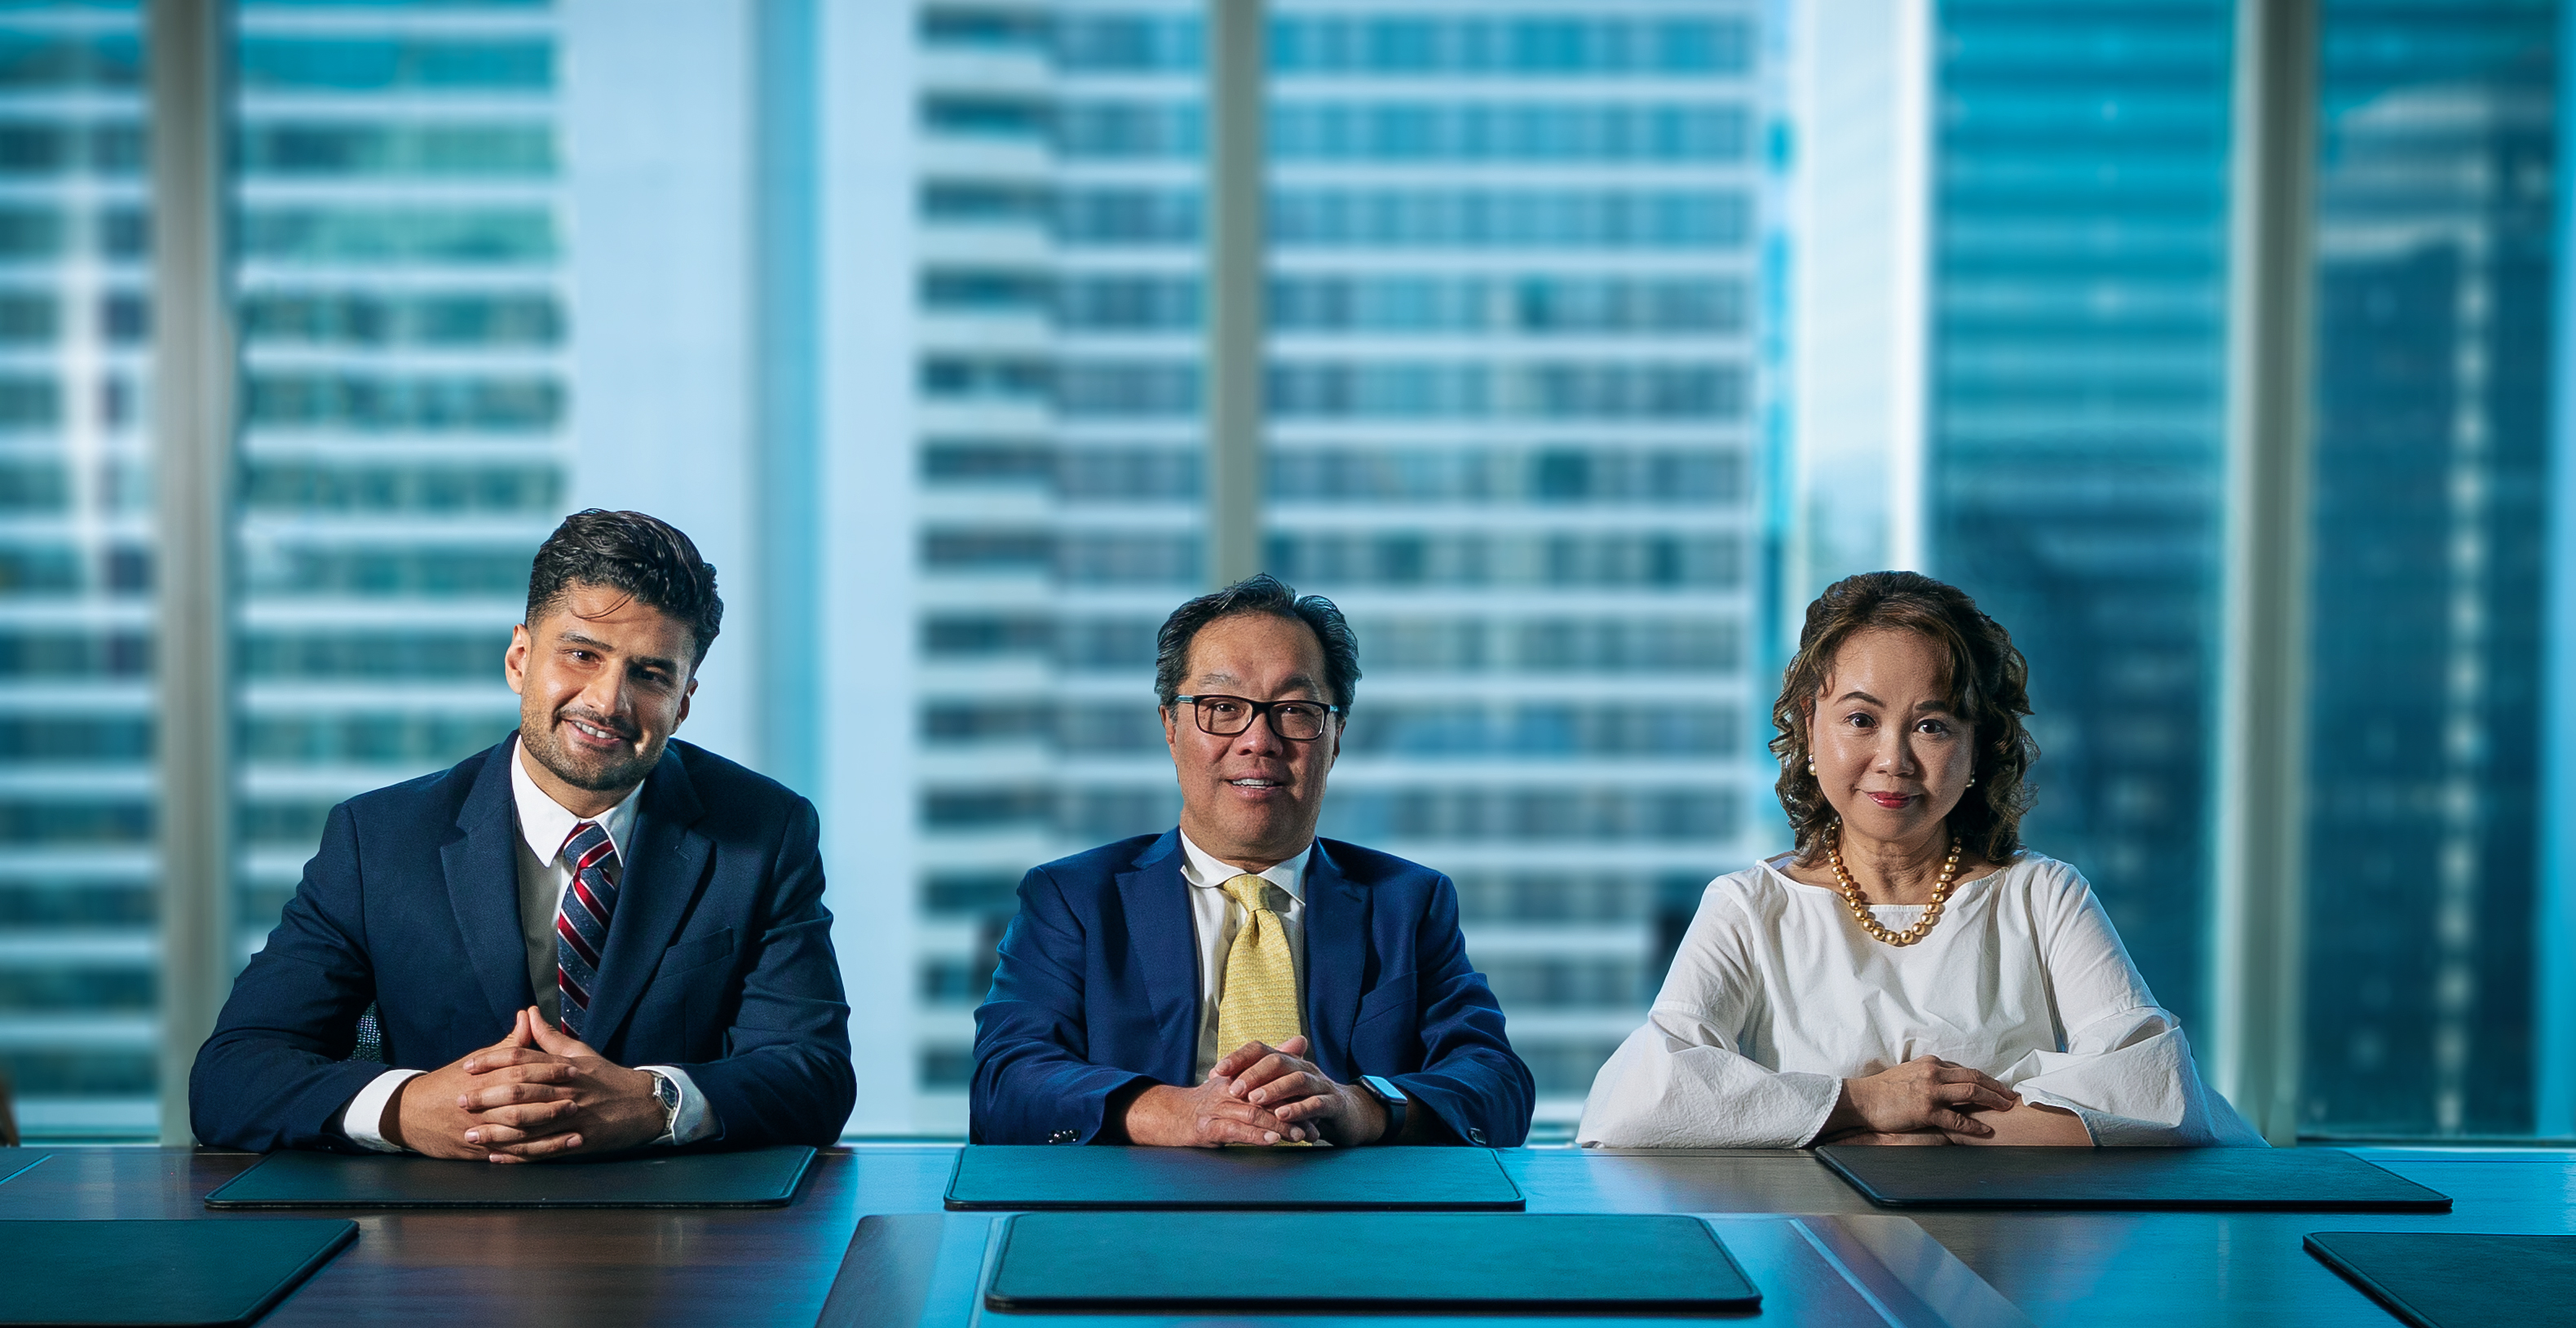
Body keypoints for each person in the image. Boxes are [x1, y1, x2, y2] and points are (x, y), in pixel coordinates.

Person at [192, 511, 854, 1158]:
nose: (607, 701)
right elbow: (232, 1076)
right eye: (582, 655)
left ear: (682, 701)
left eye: (650, 675)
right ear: (519, 658)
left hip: (684, 1237)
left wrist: (654, 1104)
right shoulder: (379, 840)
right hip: (436, 1233)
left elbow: (814, 1074)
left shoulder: (764, 832)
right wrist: (406, 1108)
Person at [1578, 571, 2259, 1149]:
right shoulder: (1748, 907)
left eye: (1932, 725)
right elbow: (1643, 1101)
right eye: (1860, 719)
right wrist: (1865, 1105)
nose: (1894, 760)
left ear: (1977, 748)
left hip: (2013, 1256)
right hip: (1803, 1254)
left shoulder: (2042, 895)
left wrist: (1908, 1126)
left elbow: (2156, 1093)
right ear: (1809, 728)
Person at [972, 574, 1533, 1148]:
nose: (1258, 740)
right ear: (1170, 725)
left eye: (1294, 710)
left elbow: (1495, 1084)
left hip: (1353, 1217)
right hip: (1136, 1218)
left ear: (1335, 736)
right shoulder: (1073, 898)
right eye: (1222, 707)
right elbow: (1005, 1081)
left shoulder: (1407, 902)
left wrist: (1358, 1104)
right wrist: (1177, 1114)